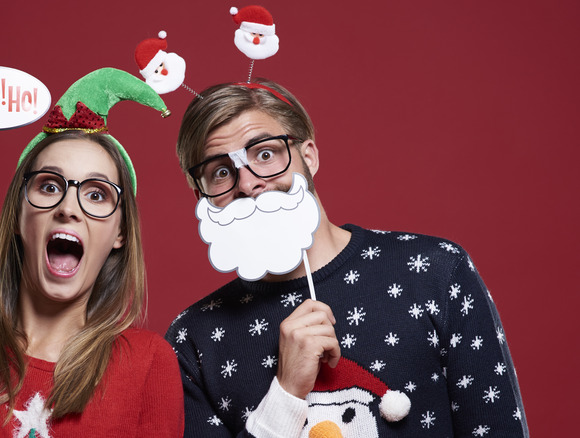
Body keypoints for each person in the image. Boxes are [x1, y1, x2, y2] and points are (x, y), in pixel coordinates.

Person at [165, 79, 528, 437]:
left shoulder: (436, 272)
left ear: (309, 156)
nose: (247, 184)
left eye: (264, 153)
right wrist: (285, 394)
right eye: (221, 172)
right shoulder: (192, 340)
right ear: (202, 197)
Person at [0, 69, 183, 437]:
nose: (69, 207)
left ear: (120, 233)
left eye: (97, 194)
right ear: (18, 218)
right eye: (49, 186)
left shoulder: (149, 363)